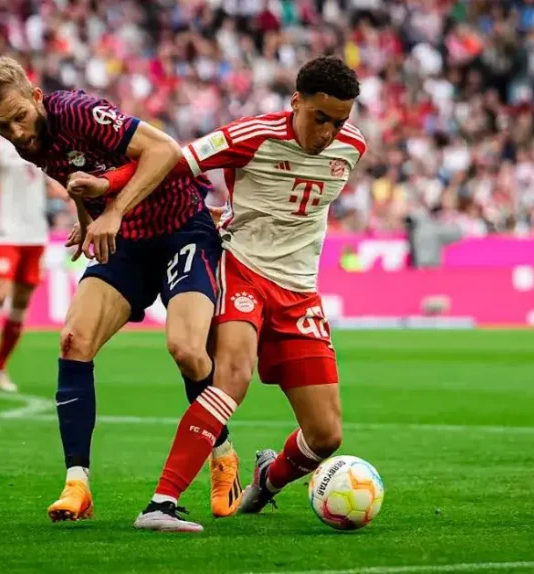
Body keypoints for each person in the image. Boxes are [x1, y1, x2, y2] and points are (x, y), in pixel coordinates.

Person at [69, 56, 366, 532]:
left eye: (340, 121)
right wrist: (108, 189)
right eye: (321, 118)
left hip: (300, 292)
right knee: (232, 376)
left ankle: (265, 480)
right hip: (243, 270)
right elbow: (169, 158)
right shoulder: (253, 134)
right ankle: (161, 503)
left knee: (326, 435)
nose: (330, 131)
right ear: (297, 102)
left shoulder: (353, 147)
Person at [0, 56, 241, 522]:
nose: (14, 132)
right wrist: (89, 220)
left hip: (182, 228)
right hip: (126, 243)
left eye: (18, 117)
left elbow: (165, 151)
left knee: (186, 349)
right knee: (74, 340)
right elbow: (77, 179)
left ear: (37, 97)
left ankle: (223, 456)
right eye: (1, 126)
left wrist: (114, 212)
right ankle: (78, 485)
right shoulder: (25, 141)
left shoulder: (76, 111)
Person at [0, 132, 67, 393]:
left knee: (20, 305)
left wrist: (63, 191)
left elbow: (51, 180)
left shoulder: (44, 139)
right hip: (6, 234)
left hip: (37, 235)